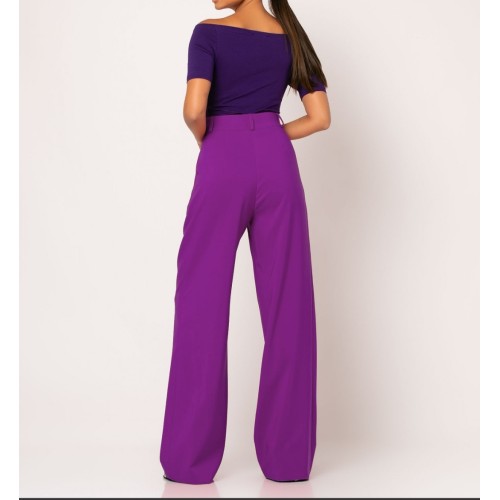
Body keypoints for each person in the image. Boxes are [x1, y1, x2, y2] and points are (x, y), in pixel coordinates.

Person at [160, 0, 331, 486]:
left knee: (201, 303)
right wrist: (270, 135)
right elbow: (320, 117)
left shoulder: (209, 33)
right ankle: (287, 461)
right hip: (278, 163)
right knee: (289, 308)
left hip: (223, 159)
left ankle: (189, 461)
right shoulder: (291, 36)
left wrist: (213, 140)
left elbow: (194, 109)